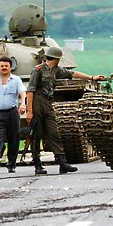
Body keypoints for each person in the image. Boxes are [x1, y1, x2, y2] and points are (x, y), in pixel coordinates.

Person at [26, 46, 105, 175]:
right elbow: (30, 90)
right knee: (37, 134)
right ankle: (37, 164)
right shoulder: (38, 70)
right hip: (37, 102)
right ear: (57, 59)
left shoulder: (56, 70)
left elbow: (73, 74)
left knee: (54, 133)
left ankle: (62, 163)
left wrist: (91, 78)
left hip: (48, 101)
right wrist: (30, 111)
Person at [0, 56, 27, 173]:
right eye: (2, 66)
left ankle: (11, 163)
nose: (4, 68)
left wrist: (23, 104)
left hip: (12, 113)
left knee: (13, 139)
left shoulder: (16, 80)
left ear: (10, 67)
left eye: (6, 65)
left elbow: (22, 93)